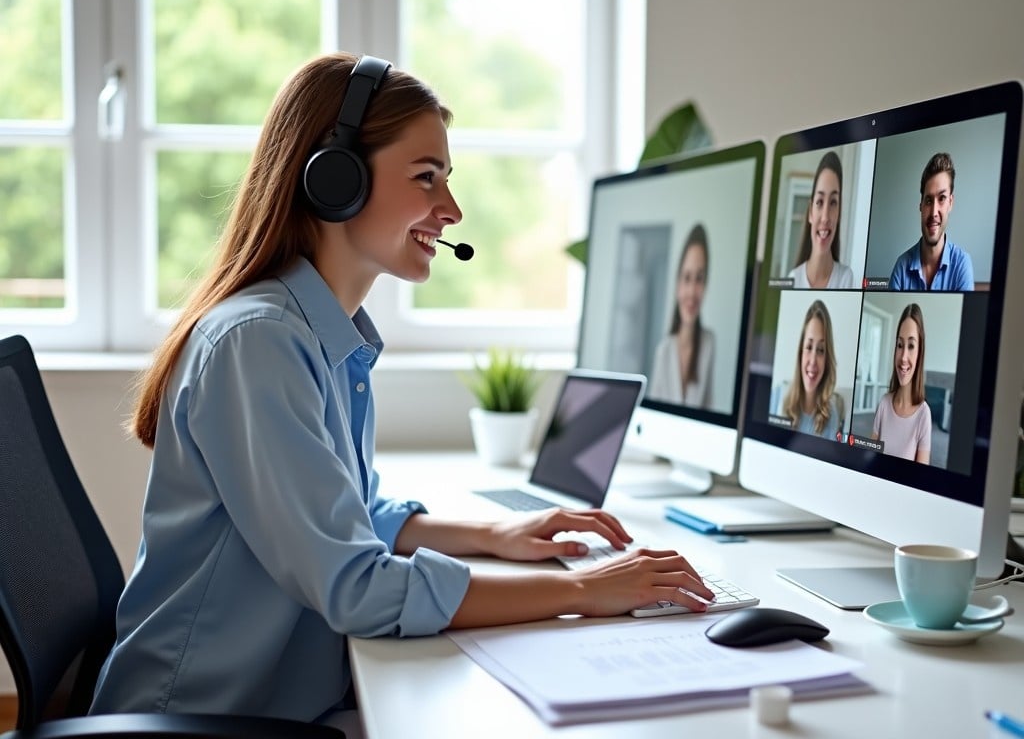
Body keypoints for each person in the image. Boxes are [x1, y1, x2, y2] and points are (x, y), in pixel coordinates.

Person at [87, 53, 713, 730]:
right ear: (337, 181)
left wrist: (499, 535)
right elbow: (355, 586)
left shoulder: (324, 336)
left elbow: (347, 514)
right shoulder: (257, 345)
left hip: (281, 704)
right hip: (204, 718)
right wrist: (580, 590)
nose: (451, 209)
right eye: (426, 178)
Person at [647, 223, 714, 407]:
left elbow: (708, 407)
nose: (692, 292)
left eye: (699, 279)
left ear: (706, 285)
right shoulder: (664, 350)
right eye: (686, 278)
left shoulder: (709, 343)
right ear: (677, 285)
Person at [889, 152, 974, 291]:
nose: (934, 212)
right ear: (921, 205)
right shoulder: (901, 266)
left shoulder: (962, 264)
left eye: (941, 198)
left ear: (950, 203)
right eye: (928, 200)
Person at [774, 299, 844, 439]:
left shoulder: (832, 416)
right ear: (800, 351)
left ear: (827, 359)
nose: (813, 361)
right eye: (809, 347)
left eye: (820, 350)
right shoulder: (777, 398)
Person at [872, 303, 932, 463]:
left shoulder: (924, 415)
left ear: (920, 352)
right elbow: (868, 461)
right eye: (900, 345)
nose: (903, 356)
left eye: (911, 346)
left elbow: (920, 482)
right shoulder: (884, 403)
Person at [787, 151, 855, 289]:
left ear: (839, 212)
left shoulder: (846, 278)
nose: (825, 217)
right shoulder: (793, 279)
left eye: (833, 202)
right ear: (810, 212)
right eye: (819, 202)